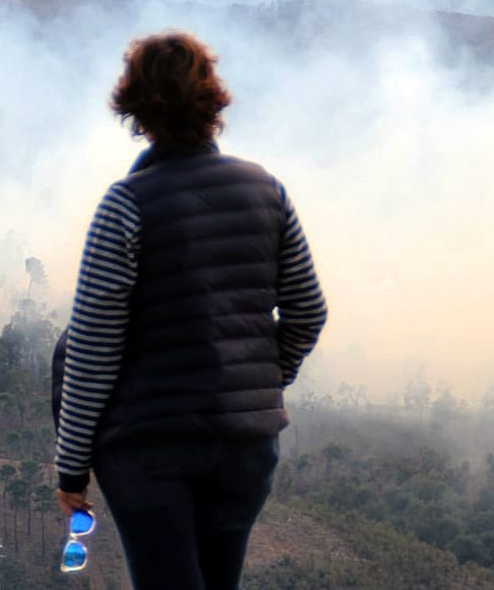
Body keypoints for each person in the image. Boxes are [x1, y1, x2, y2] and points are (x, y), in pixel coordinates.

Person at [53, 30, 327, 590]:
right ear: (212, 99)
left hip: (151, 448)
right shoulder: (266, 190)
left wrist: (72, 467)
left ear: (133, 108)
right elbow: (307, 311)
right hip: (245, 446)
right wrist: (262, 383)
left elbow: (92, 349)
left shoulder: (126, 204)